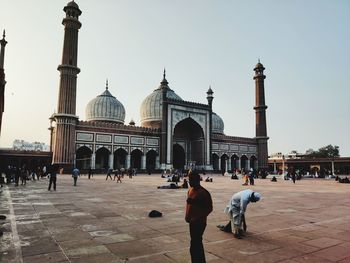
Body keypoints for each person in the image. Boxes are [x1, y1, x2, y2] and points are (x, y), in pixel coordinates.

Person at [185, 171, 213, 263]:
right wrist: (187, 216)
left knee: (196, 244)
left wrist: (198, 217)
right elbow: (189, 205)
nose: (189, 182)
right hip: (192, 222)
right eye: (189, 180)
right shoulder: (190, 190)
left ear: (197, 180)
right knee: (194, 244)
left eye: (191, 180)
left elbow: (209, 208)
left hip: (199, 223)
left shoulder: (204, 192)